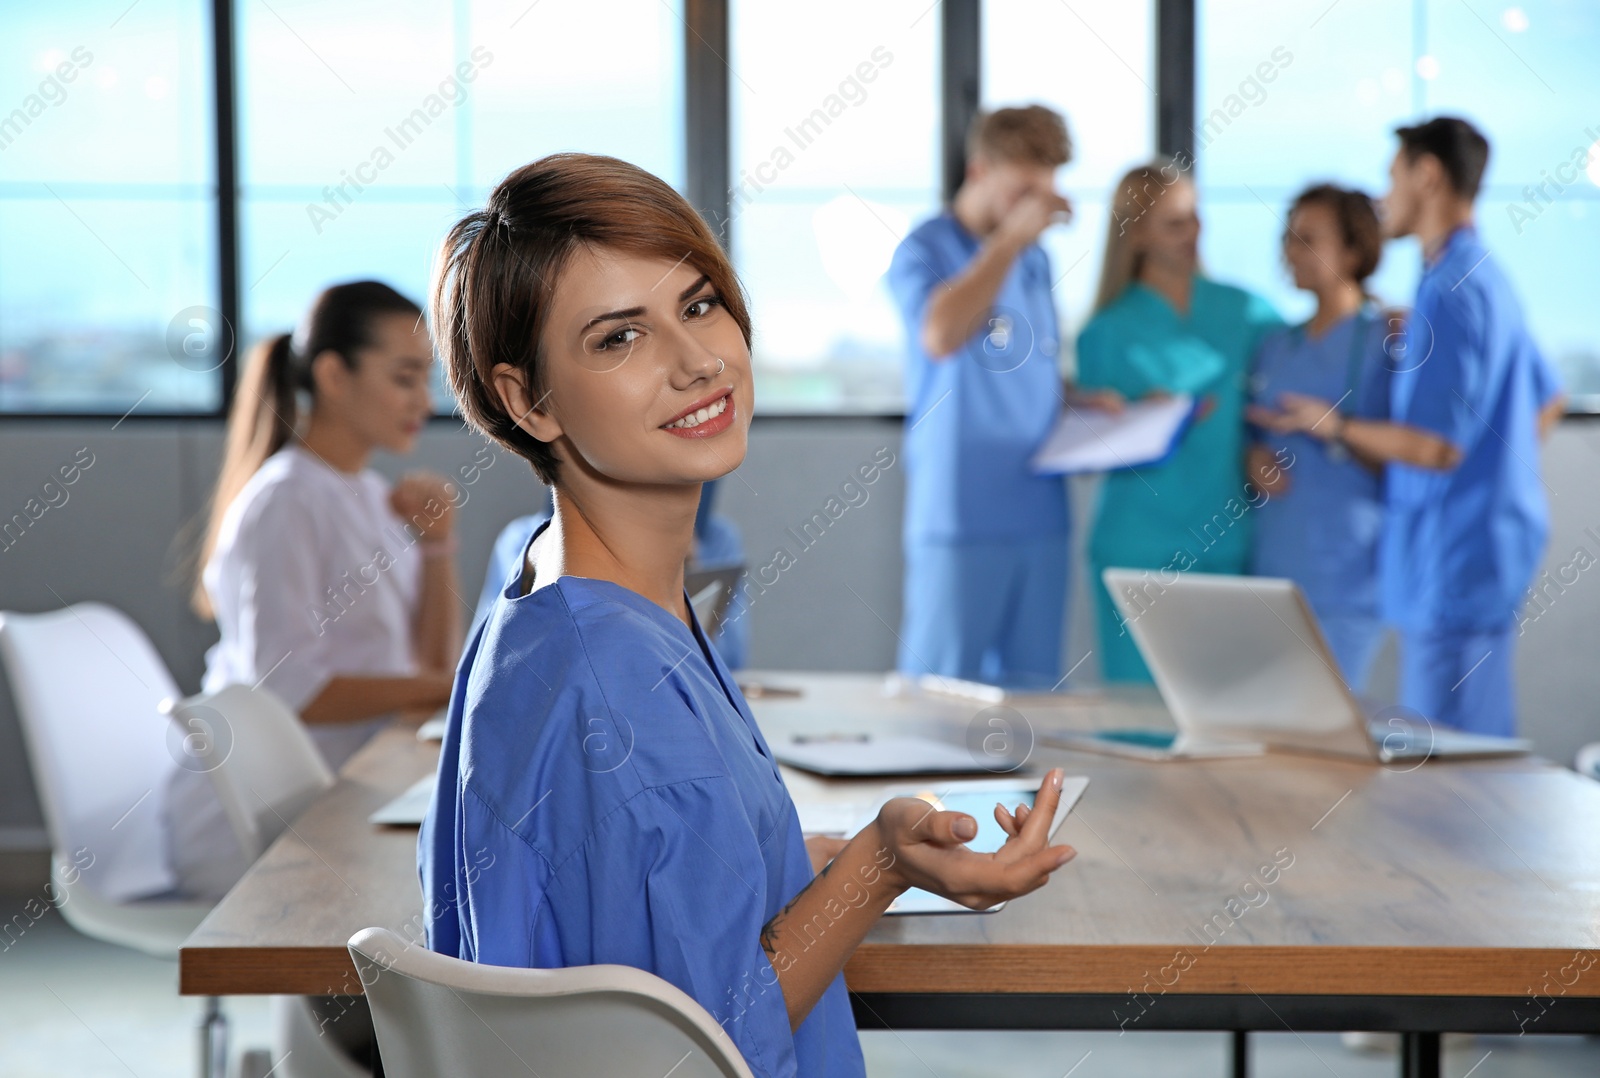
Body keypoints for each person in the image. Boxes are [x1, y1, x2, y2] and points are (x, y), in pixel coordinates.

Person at [420, 153, 1077, 1078]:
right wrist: (880, 862)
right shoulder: (618, 684)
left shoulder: (546, 600)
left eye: (697, 305)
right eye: (619, 338)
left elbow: (663, 874)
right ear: (528, 401)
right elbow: (706, 1038)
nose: (698, 362)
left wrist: (863, 850)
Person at [1249, 118, 1563, 736]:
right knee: (1463, 746)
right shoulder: (1473, 277)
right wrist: (1501, 475)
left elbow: (1437, 446)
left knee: (1458, 761)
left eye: (1392, 176)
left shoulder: (1450, 290)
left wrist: (1335, 429)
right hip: (1473, 547)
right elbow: (1543, 402)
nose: (1384, 196)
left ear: (1428, 175)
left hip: (1454, 556)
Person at [173, 280, 462, 901]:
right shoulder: (286, 499)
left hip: (339, 782)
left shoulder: (366, 495)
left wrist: (437, 545)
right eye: (405, 377)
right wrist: (455, 687)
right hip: (258, 808)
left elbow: (429, 664)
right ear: (333, 374)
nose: (424, 399)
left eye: (427, 378)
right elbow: (287, 687)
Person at [887, 105, 1120, 688]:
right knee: (940, 699)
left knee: (1030, 701)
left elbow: (1020, 364)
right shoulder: (927, 248)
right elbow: (941, 335)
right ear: (980, 170)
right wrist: (1011, 239)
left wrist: (1080, 399)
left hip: (1041, 513)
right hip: (962, 514)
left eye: (1046, 189)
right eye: (1023, 189)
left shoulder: (1037, 260)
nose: (1037, 207)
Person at [1076, 162, 1284, 682]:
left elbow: (1309, 358)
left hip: (1223, 538)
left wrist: (1256, 446)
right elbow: (1088, 442)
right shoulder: (1105, 332)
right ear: (1137, 233)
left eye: (1194, 218)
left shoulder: (1246, 312)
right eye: (1174, 223)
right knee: (1141, 721)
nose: (1193, 233)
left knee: (1222, 717)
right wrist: (1141, 417)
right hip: (1138, 546)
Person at [1245, 184, 1392, 692]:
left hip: (1346, 574)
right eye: (1288, 237)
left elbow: (1412, 459)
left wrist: (1334, 428)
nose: (1290, 252)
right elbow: (1250, 436)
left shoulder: (1388, 342)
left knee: (1327, 739)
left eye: (1308, 239)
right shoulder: (1275, 347)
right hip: (1274, 569)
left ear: (1354, 250)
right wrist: (1253, 461)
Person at [472, 480, 751, 668]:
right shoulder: (523, 539)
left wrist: (683, 571)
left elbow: (731, 659)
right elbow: (489, 656)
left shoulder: (717, 538)